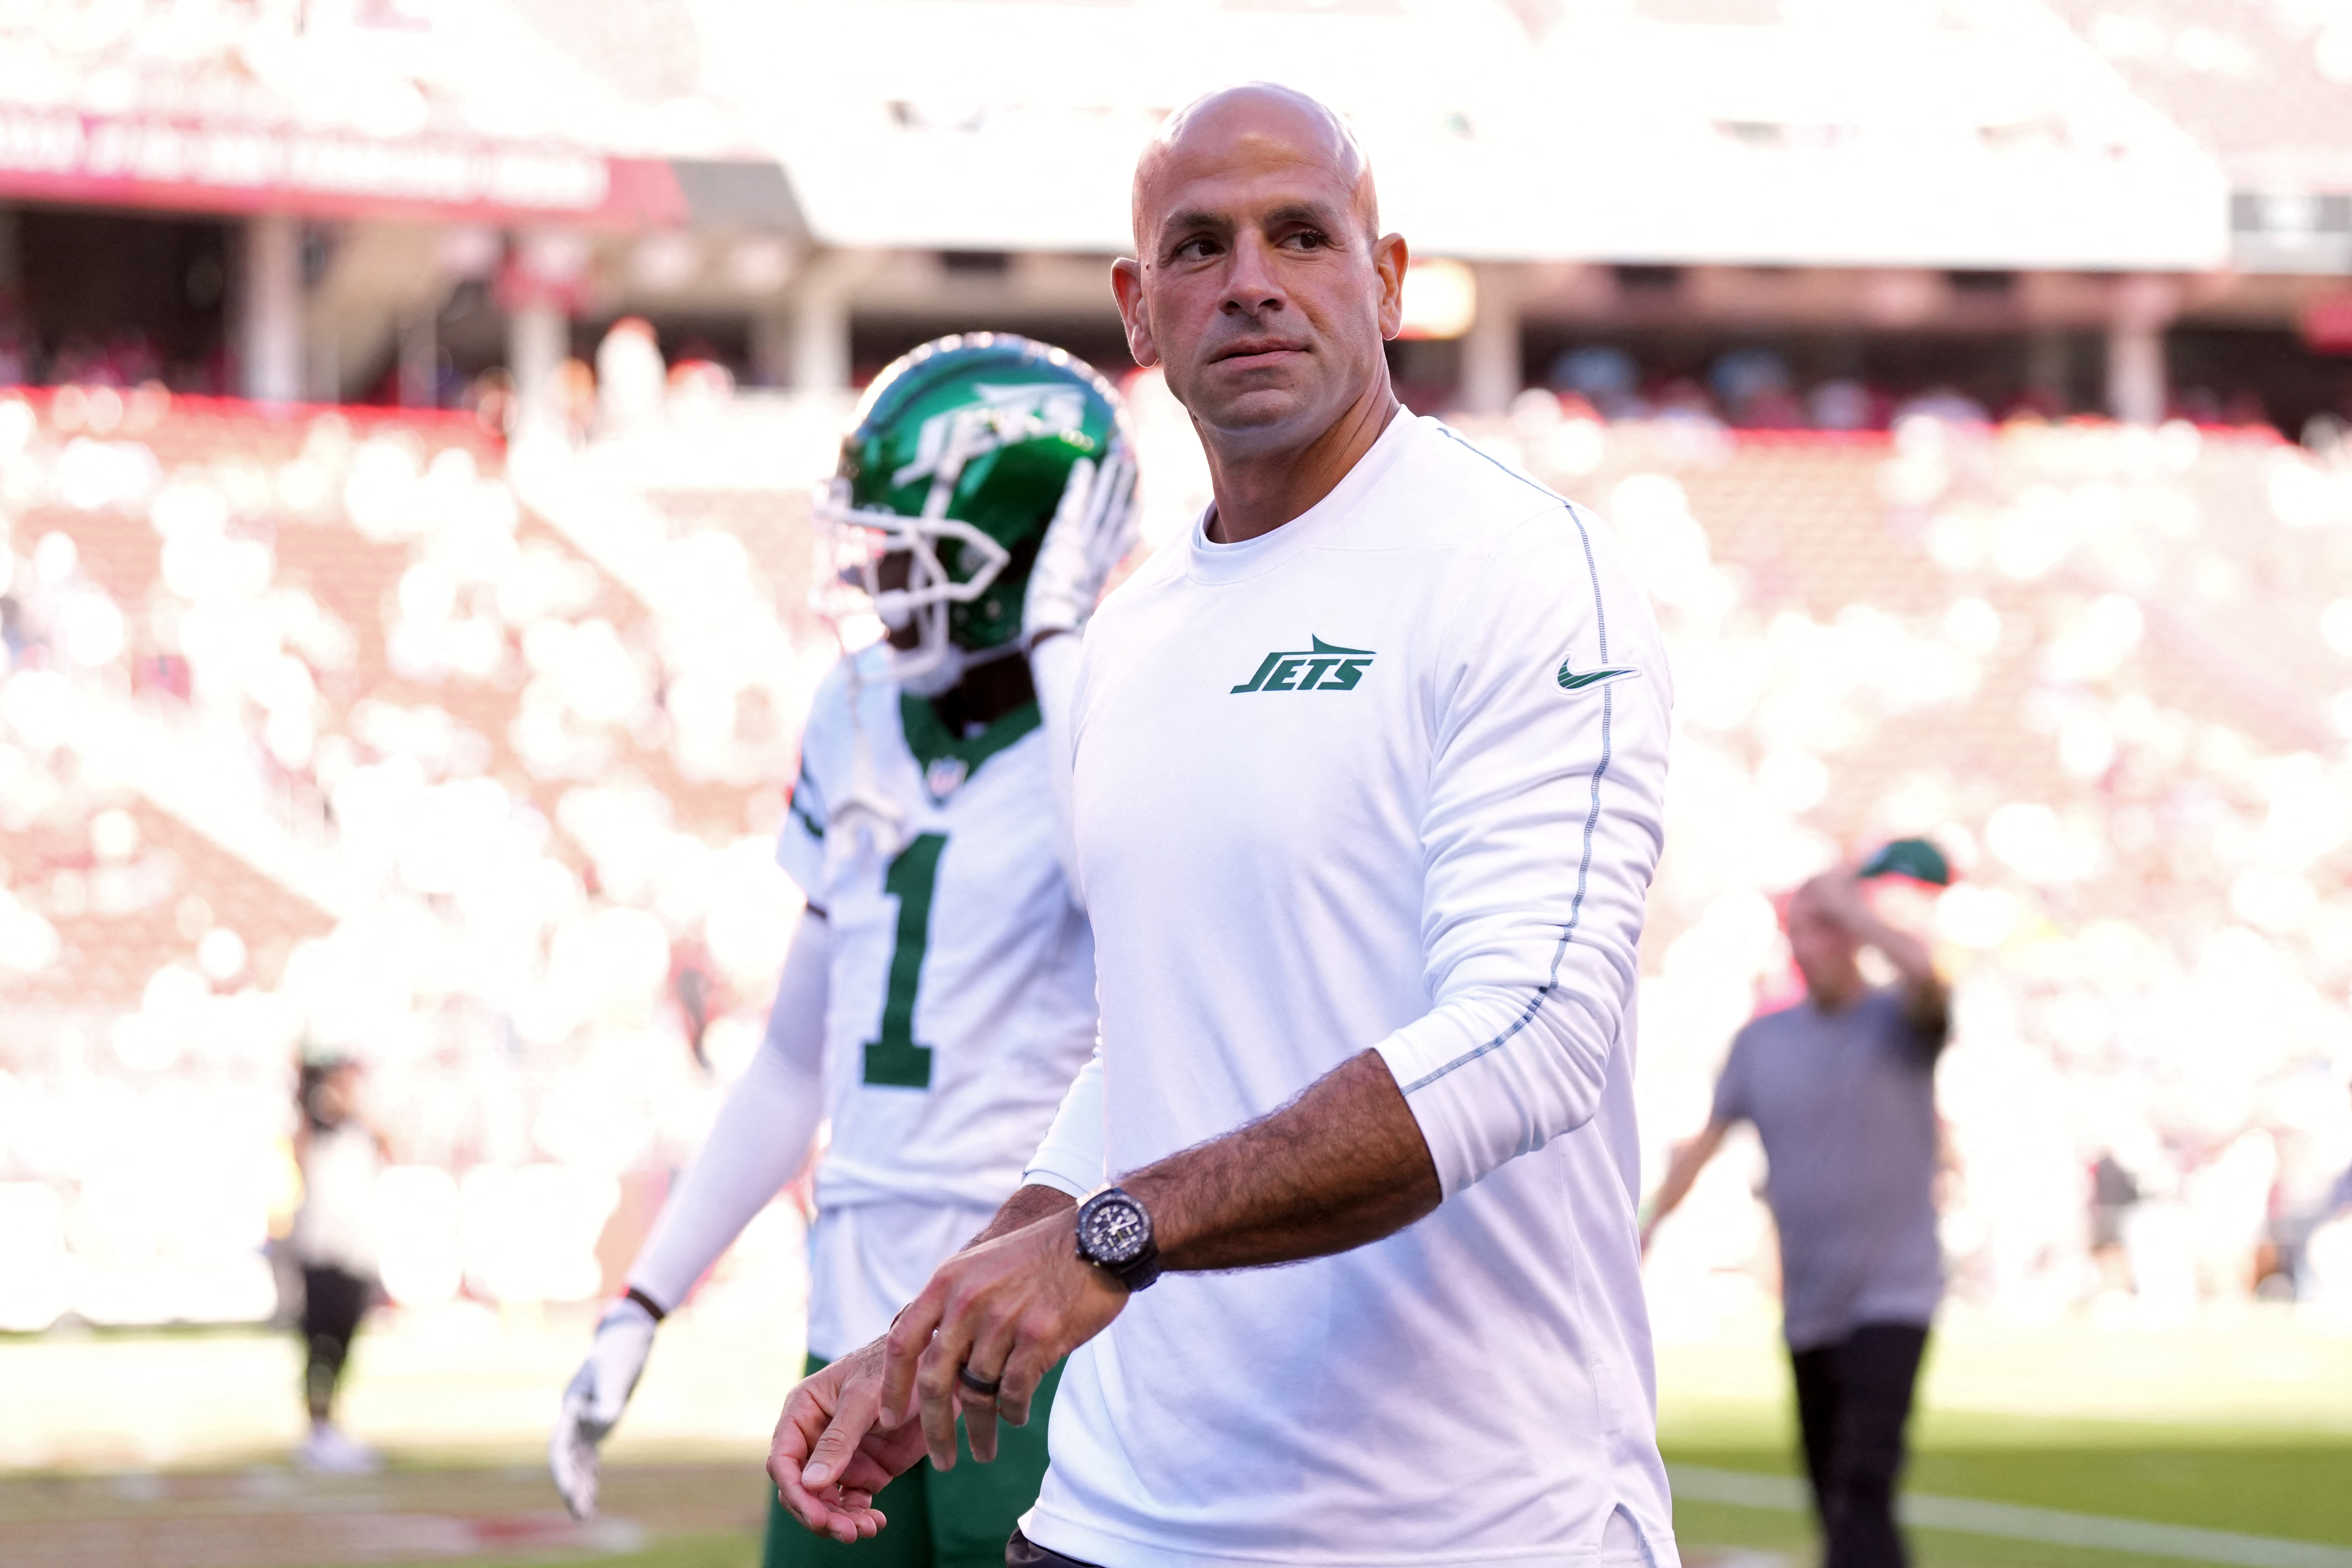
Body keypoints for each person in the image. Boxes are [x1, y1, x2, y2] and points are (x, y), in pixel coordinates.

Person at [767, 83, 1678, 1568]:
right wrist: (940, 1324)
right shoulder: (1131, 637)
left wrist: (1110, 1236)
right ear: (1138, 309)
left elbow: (1533, 1028)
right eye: (1198, 247)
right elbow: (1156, 1049)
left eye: (1299, 235)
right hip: (1115, 1521)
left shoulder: (1517, 570)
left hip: (1458, 1527)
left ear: (1383, 280)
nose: (1248, 279)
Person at [550, 333, 1141, 1568]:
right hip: (849, 1315)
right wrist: (644, 1299)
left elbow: (1123, 897)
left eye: (914, 550)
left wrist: (1058, 636)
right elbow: (789, 1065)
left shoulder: (1124, 710)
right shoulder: (856, 704)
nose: (875, 573)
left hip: (1022, 1325)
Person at [1641, 866, 1950, 1568]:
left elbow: (1928, 978)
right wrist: (1645, 1225)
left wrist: (1861, 914)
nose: (1815, 944)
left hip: (1893, 1293)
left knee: (1863, 1484)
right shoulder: (1763, 1042)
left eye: (1830, 926)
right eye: (1805, 928)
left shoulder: (1897, 1023)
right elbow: (1705, 1143)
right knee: (1839, 1498)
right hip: (1811, 1303)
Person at [289, 1051, 387, 1474]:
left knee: (344, 1346)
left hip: (355, 1253)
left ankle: (332, 1425)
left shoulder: (361, 1132)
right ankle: (318, 1430)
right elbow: (301, 1138)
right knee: (319, 1346)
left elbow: (389, 1140)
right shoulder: (315, 1129)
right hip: (322, 1252)